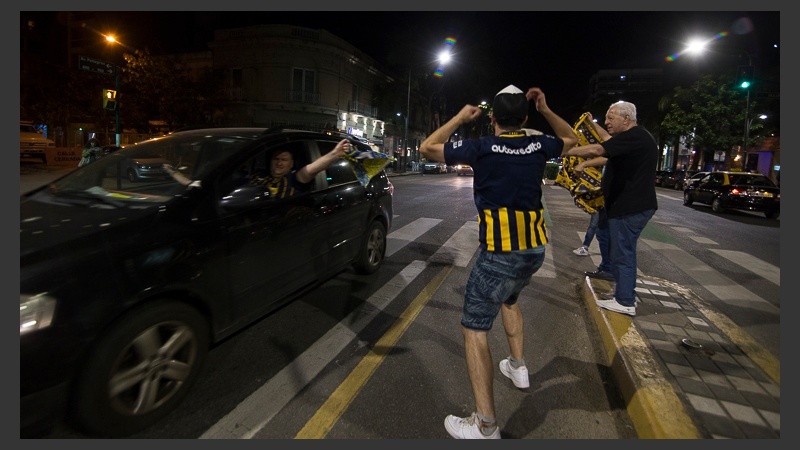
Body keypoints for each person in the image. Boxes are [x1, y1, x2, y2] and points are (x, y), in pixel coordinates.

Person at [420, 85, 577, 439]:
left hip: (500, 253)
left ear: (493, 119)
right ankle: (518, 366)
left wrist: (461, 117)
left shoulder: (482, 147)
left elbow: (427, 148)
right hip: (535, 251)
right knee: (509, 298)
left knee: (474, 329)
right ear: (524, 118)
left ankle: (485, 425)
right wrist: (547, 108)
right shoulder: (539, 145)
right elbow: (573, 139)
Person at [565, 101, 658, 316]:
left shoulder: (636, 136)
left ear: (626, 118)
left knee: (623, 253)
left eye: (611, 117)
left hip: (631, 207)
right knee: (616, 247)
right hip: (625, 206)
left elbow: (599, 148)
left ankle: (625, 300)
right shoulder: (633, 138)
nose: (606, 122)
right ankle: (621, 293)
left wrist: (566, 151)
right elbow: (606, 141)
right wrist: (592, 124)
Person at [248, 138, 351, 199]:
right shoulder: (257, 175)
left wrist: (335, 154)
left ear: (291, 164)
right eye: (276, 159)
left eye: (284, 160)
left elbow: (311, 170)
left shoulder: (292, 180)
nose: (279, 163)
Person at [572, 156, 608, 257]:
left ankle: (608, 257)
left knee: (602, 228)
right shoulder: (597, 170)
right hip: (599, 199)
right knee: (595, 225)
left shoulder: (610, 164)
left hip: (608, 200)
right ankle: (585, 246)